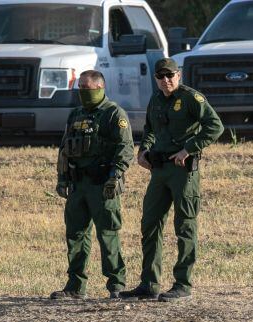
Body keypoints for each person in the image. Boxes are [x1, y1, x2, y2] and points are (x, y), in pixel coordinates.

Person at [121, 57, 223, 303]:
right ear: (155, 79)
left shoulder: (190, 98)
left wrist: (189, 148)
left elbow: (215, 126)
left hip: (183, 170)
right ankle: (149, 283)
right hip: (160, 169)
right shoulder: (156, 99)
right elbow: (149, 129)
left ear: (179, 75)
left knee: (184, 225)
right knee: (150, 224)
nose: (166, 81)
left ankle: (183, 283)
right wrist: (143, 150)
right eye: (161, 77)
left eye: (170, 76)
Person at [51, 70, 134, 300]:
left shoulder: (113, 114)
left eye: (87, 90)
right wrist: (62, 178)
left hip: (102, 184)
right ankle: (75, 286)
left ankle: (116, 284)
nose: (83, 94)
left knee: (108, 234)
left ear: (100, 88)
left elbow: (125, 148)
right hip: (78, 185)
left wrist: (115, 176)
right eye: (80, 89)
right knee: (75, 235)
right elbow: (64, 149)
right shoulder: (75, 115)